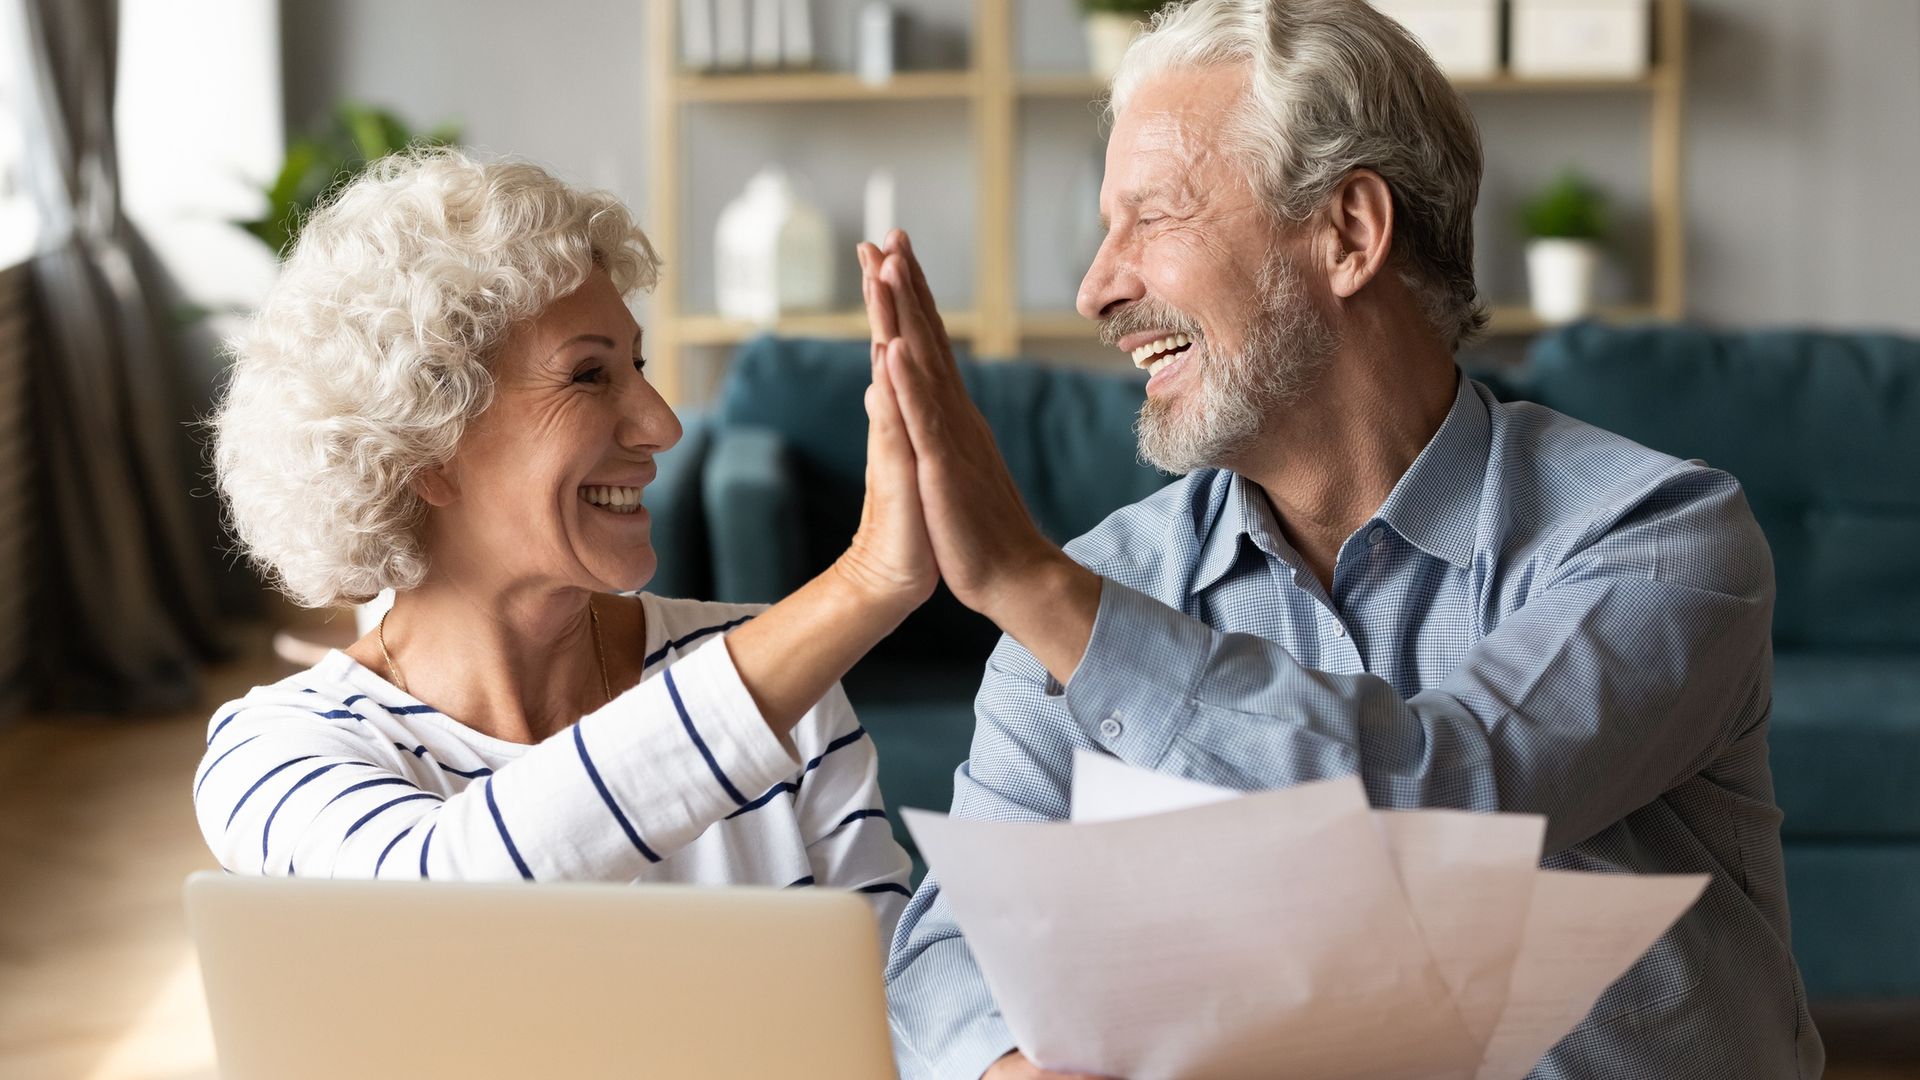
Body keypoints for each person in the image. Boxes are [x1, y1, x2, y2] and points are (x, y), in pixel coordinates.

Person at [869, 1, 1821, 1077]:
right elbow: (948, 950)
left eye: (1155, 217)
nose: (1098, 287)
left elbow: (1448, 799)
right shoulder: (1103, 585)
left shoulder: (1656, 537)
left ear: (1349, 235)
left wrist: (1034, 590)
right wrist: (1006, 1069)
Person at [197, 148, 931, 942]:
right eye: (588, 376)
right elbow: (432, 906)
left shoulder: (789, 689)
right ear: (424, 449)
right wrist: (864, 583)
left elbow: (891, 1005)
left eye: (638, 365)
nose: (663, 426)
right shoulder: (275, 753)